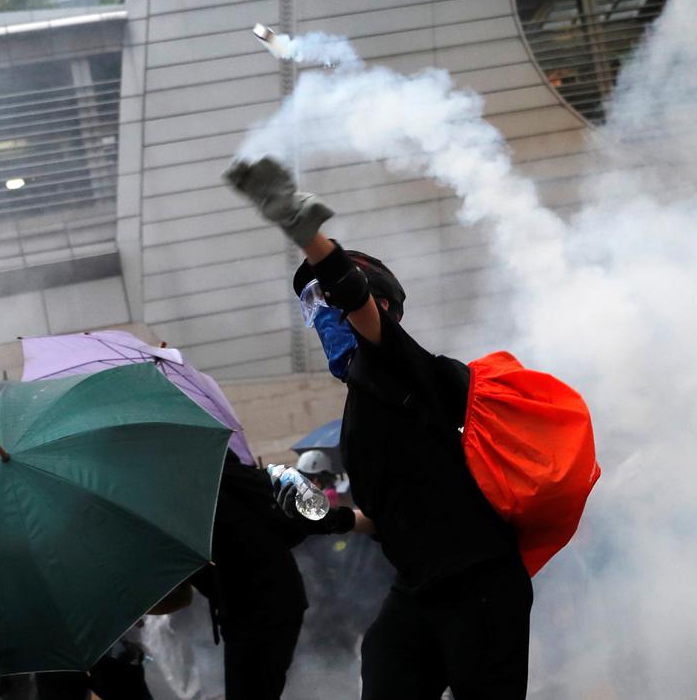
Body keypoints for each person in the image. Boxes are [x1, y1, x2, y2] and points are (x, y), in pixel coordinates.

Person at [225, 158, 532, 700]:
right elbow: (390, 517)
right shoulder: (362, 407)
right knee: (385, 664)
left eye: (324, 302)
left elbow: (353, 298)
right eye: (311, 307)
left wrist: (303, 229)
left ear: (380, 306)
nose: (320, 317)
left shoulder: (401, 364)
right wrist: (326, 516)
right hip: (417, 589)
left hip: (478, 582)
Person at [190, 453, 357, 700]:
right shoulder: (186, 488)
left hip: (266, 604)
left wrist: (348, 520)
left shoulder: (218, 475)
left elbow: (301, 513)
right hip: (244, 608)